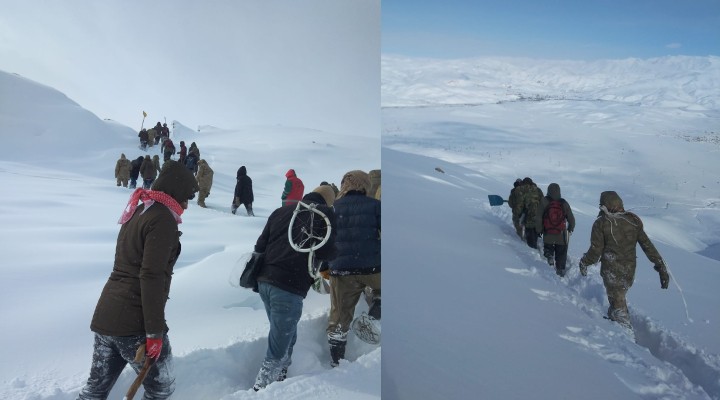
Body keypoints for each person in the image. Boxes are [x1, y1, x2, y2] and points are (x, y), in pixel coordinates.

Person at [76, 160, 199, 400]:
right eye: (186, 197)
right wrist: (154, 332)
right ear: (175, 192)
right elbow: (151, 275)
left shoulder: (139, 209)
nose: (186, 204)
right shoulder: (162, 219)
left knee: (95, 390)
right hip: (135, 323)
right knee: (161, 387)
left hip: (106, 316)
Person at [251, 185, 337, 391]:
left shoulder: (282, 211)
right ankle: (261, 390)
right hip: (288, 286)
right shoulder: (324, 215)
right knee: (278, 346)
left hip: (264, 282)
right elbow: (328, 252)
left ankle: (280, 381)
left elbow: (259, 246)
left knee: (285, 333)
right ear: (328, 202)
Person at [578, 191, 670, 330]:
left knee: (617, 302)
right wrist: (660, 266)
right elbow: (647, 246)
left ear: (605, 205)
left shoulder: (602, 223)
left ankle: (625, 335)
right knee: (618, 298)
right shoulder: (633, 221)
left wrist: (584, 262)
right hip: (629, 271)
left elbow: (595, 251)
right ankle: (614, 321)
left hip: (611, 270)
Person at [325, 170, 381, 367]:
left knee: (339, 317)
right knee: (383, 291)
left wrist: (325, 267)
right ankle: (375, 312)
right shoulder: (376, 206)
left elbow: (325, 241)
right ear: (365, 185)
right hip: (372, 267)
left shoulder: (333, 209)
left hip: (341, 270)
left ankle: (336, 361)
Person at [535, 183, 575, 276]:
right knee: (561, 252)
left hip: (548, 232)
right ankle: (560, 270)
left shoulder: (544, 201)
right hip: (561, 234)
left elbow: (538, 218)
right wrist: (570, 229)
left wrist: (539, 230)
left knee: (548, 248)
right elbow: (571, 219)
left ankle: (549, 257)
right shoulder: (564, 203)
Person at [515, 177, 543, 249]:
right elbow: (543, 202)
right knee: (535, 231)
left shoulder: (523, 190)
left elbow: (520, 204)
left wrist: (518, 215)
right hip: (539, 216)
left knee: (530, 233)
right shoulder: (538, 190)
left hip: (528, 216)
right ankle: (534, 245)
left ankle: (532, 251)